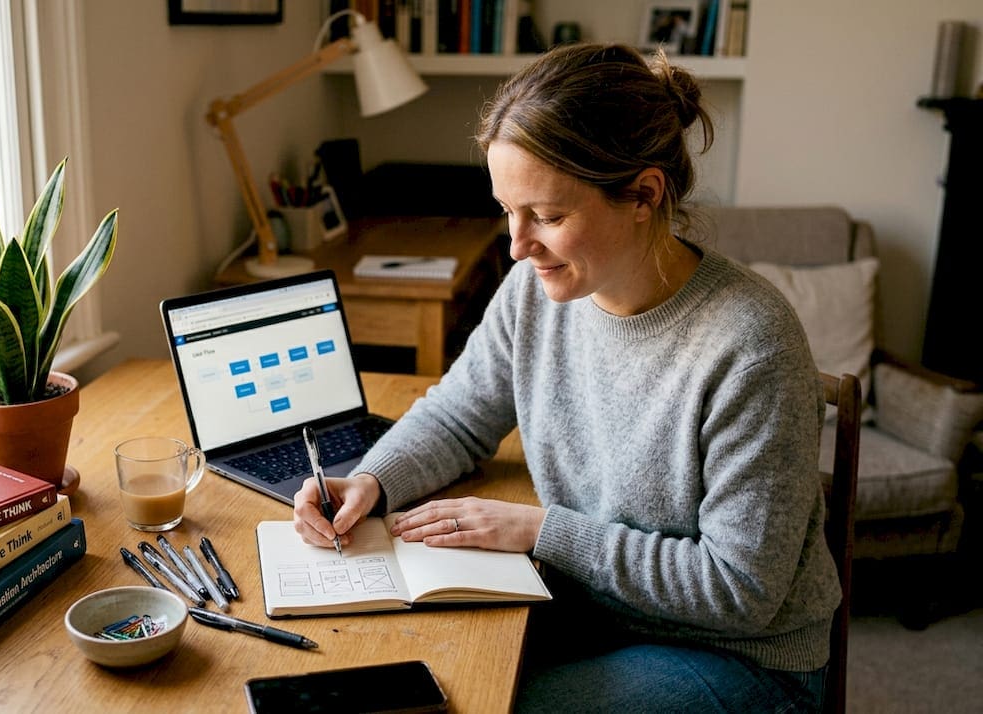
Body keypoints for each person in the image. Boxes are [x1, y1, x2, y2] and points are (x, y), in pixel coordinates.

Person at [292, 42, 840, 713]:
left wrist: (538, 530)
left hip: (739, 660)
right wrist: (373, 481)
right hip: (587, 614)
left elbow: (738, 590)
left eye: (547, 217)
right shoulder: (533, 292)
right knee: (400, 673)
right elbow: (460, 415)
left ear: (643, 194)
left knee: (477, 705)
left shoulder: (751, 345)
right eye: (508, 211)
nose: (518, 246)